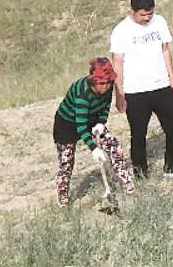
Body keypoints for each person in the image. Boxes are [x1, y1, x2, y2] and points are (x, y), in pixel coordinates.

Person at [110, 0, 173, 177]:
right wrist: (119, 94)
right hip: (135, 91)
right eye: (143, 15)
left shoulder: (159, 22)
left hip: (161, 86)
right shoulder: (121, 31)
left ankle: (171, 165)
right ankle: (140, 172)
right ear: (133, 11)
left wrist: (172, 77)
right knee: (138, 135)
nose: (147, 18)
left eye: (150, 13)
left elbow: (165, 50)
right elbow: (117, 63)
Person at [53, 57, 137, 206]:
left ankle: (125, 180)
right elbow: (80, 125)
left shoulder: (108, 86)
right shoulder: (83, 93)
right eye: (102, 83)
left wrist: (101, 122)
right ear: (93, 81)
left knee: (113, 144)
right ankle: (62, 195)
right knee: (67, 162)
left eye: (108, 82)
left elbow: (105, 106)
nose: (105, 86)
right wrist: (93, 148)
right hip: (67, 123)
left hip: (92, 119)